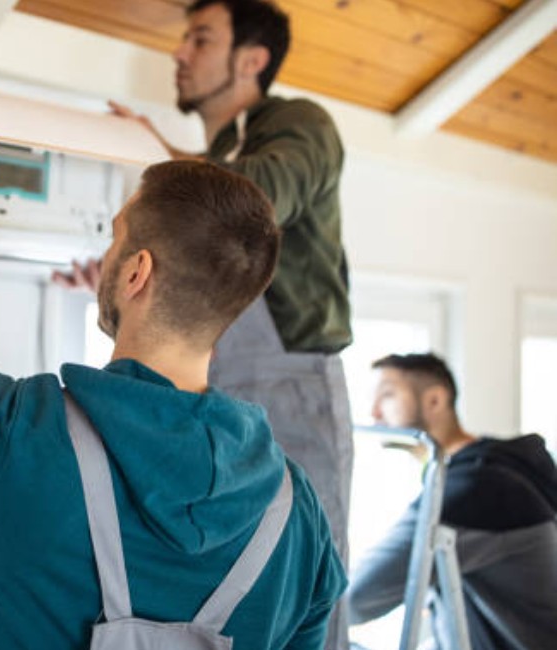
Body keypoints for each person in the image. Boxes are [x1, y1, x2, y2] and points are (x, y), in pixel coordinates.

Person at [0, 156, 346, 648]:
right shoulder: (297, 514)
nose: (104, 256)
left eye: (112, 239)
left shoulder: (15, 434)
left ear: (137, 272)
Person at [58, 2, 353, 646]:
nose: (179, 54)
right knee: (219, 584)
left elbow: (249, 207)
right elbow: (208, 240)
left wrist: (165, 170)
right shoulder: (219, 152)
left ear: (252, 60)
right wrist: (122, 278)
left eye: (200, 38)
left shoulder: (298, 124)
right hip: (214, 386)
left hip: (289, 381)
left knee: (305, 584)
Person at [347, 353, 557, 650]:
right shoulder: (495, 471)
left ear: (434, 400)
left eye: (388, 396)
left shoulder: (477, 489)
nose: (374, 412)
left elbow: (354, 599)